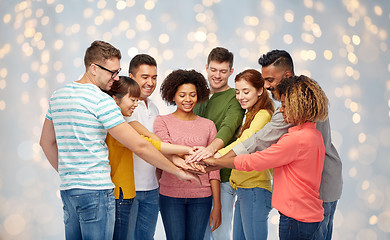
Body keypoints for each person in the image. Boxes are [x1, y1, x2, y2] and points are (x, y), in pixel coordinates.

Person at [39, 40, 198, 240]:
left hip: (69, 190)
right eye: (112, 72)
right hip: (97, 190)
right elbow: (139, 146)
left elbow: (46, 142)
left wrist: (69, 174)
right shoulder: (102, 100)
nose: (115, 79)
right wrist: (178, 172)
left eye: (117, 72)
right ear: (93, 68)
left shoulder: (58, 96)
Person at [209, 50, 343, 240]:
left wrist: (218, 160)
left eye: (270, 79)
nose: (266, 85)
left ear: (287, 76)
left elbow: (259, 144)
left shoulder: (294, 108)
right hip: (321, 189)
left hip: (314, 194)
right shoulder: (308, 98)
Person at [104, 76, 203, 240]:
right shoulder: (116, 128)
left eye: (137, 100)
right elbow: (147, 145)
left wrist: (179, 156)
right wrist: (185, 152)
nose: (136, 104)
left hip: (128, 192)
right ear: (115, 99)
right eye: (133, 99)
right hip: (119, 194)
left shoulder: (128, 122)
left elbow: (153, 140)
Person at [154, 69, 221, 240]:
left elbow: (214, 168)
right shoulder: (162, 121)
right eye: (182, 95)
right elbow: (165, 150)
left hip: (202, 197)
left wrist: (218, 204)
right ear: (173, 96)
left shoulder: (208, 125)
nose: (188, 99)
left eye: (192, 94)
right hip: (170, 196)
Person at [192, 47, 245, 239]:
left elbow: (228, 127)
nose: (217, 75)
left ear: (231, 72)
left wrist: (208, 151)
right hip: (195, 177)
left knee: (219, 233)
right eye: (213, 70)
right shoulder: (197, 95)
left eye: (223, 71)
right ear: (206, 68)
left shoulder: (234, 98)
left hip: (222, 178)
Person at [216, 69, 275, 239]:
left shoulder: (263, 115)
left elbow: (246, 142)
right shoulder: (250, 115)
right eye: (237, 92)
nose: (240, 96)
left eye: (246, 91)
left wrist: (216, 156)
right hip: (245, 190)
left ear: (260, 90)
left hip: (255, 190)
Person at [125, 54, 161, 240]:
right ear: (131, 77)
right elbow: (146, 144)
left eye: (154, 77)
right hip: (129, 191)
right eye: (145, 77)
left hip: (152, 190)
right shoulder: (125, 106)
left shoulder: (154, 107)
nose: (150, 82)